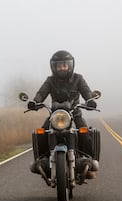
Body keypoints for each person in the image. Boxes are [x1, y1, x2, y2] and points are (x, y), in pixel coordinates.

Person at [28, 50, 99, 179]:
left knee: (85, 133)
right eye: (59, 65)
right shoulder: (50, 81)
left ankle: (88, 162)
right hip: (55, 115)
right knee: (41, 133)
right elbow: (41, 93)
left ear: (70, 66)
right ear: (54, 67)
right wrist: (35, 102)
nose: (62, 68)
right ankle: (42, 162)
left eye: (64, 65)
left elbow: (86, 91)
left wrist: (90, 100)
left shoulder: (78, 78)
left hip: (74, 114)